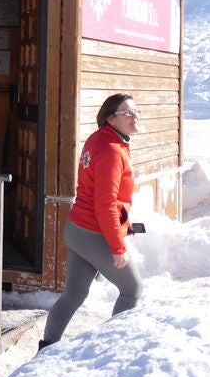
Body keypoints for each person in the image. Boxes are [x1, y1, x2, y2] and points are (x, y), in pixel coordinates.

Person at [39, 93, 142, 351]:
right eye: (127, 112)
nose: (134, 116)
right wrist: (117, 248)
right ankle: (113, 349)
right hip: (94, 233)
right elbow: (105, 204)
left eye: (135, 111)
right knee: (132, 289)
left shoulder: (99, 139)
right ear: (111, 118)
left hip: (77, 229)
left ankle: (46, 348)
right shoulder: (112, 151)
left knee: (74, 294)